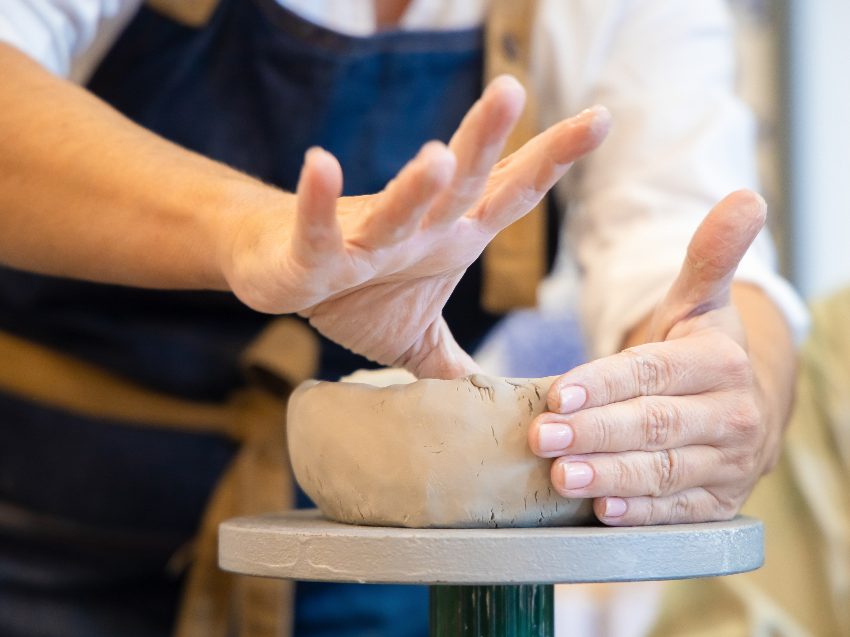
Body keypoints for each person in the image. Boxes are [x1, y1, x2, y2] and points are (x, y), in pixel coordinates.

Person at [0, 0, 807, 636]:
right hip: (39, 523)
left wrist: (719, 393)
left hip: (389, 553)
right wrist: (248, 229)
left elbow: (687, 251)